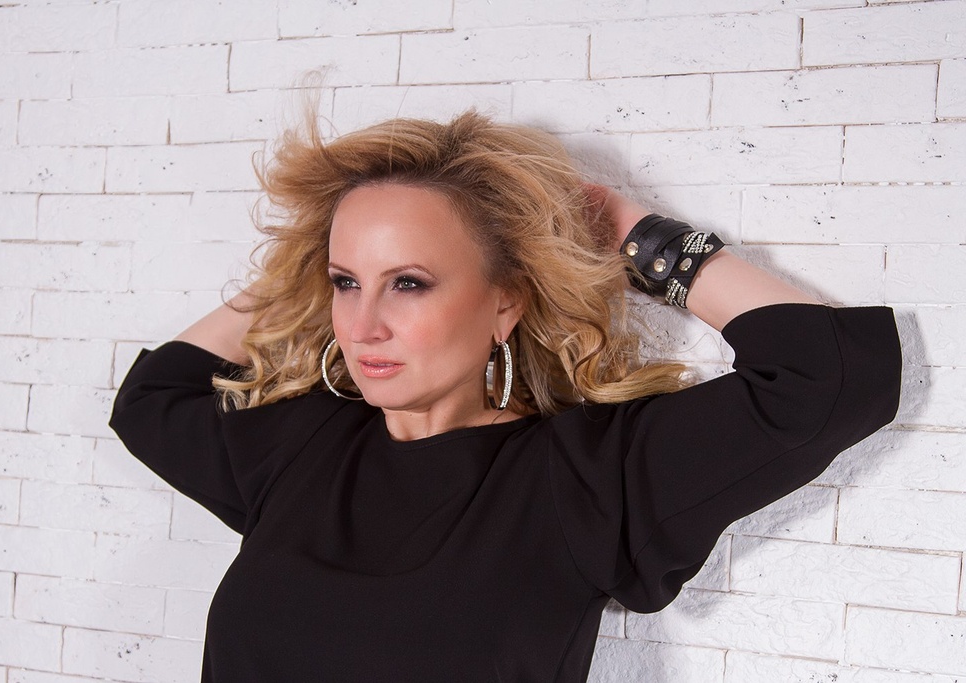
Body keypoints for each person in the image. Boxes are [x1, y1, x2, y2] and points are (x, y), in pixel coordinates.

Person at [109, 111, 901, 682]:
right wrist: (296, 273)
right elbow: (151, 399)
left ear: (505, 303)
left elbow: (827, 377)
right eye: (345, 282)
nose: (363, 323)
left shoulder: (582, 480)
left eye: (408, 283)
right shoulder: (301, 448)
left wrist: (631, 232)